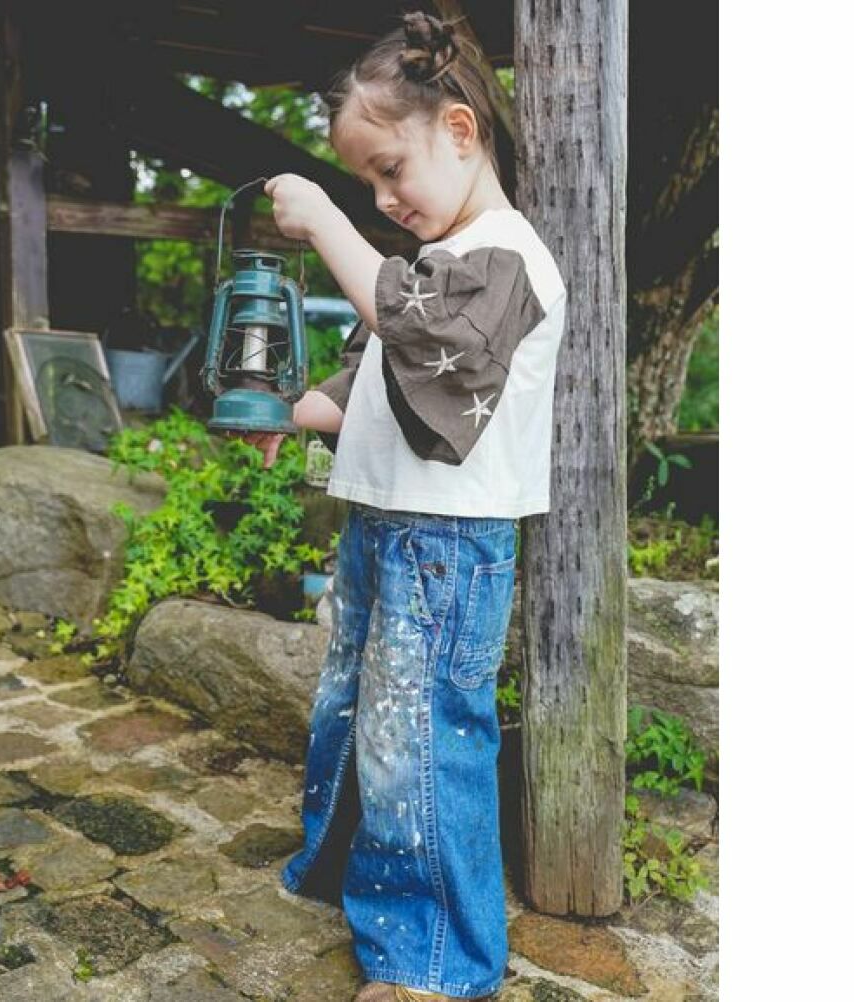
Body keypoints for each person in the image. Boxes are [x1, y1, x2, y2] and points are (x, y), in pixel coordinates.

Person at [247, 11, 567, 1001]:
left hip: (449, 542)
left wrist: (326, 224)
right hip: (386, 524)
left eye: (390, 170)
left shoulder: (508, 255)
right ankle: (349, 871)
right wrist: (290, 410)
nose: (383, 200)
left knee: (420, 737)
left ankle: (433, 964)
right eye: (366, 187)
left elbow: (423, 342)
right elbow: (375, 377)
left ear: (460, 131)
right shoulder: (437, 264)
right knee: (358, 709)